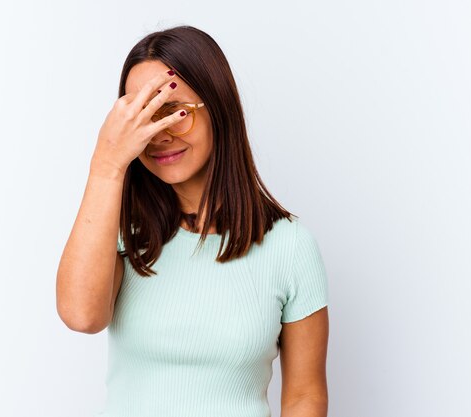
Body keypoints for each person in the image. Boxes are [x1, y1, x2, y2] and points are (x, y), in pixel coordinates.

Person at [56, 25, 330, 417]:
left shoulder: (290, 246)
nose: (159, 134)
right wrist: (106, 165)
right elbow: (82, 316)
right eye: (143, 116)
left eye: (173, 111)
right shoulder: (120, 234)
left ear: (217, 106)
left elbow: (305, 395)